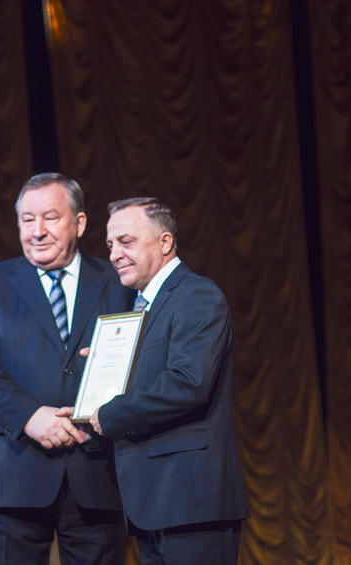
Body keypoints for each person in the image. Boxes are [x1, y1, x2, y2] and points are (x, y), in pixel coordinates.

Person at [0, 173, 132, 565]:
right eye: (27, 219)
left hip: (97, 472)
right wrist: (29, 416)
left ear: (80, 223)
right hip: (15, 469)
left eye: (50, 218)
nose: (37, 231)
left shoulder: (118, 282)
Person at [88, 197, 249, 565]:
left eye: (126, 242)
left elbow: (188, 383)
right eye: (110, 245)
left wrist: (109, 415)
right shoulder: (137, 307)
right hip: (153, 502)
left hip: (192, 500)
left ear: (165, 242)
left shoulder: (196, 295)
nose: (114, 255)